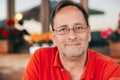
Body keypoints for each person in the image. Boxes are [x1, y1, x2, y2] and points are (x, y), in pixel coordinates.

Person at [22, 1, 120, 80]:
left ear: (88, 33)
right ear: (54, 37)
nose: (72, 36)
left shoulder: (109, 69)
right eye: (63, 29)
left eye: (79, 27)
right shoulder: (40, 60)